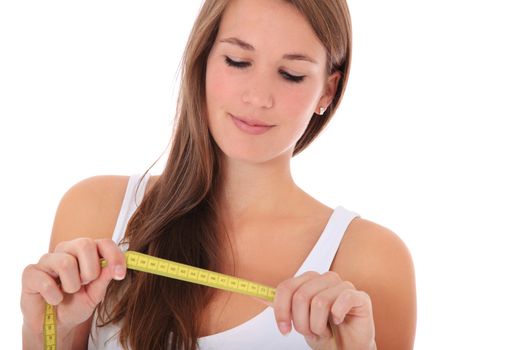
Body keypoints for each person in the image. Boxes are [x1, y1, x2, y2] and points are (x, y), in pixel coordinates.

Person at [21, 0, 417, 349]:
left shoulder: (371, 262)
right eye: (238, 61)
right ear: (203, 59)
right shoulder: (97, 213)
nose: (258, 97)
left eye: (292, 74)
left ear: (327, 92)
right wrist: (48, 332)